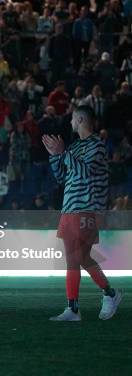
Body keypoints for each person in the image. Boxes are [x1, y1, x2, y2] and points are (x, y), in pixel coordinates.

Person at [42, 106, 122, 321]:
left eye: (72, 120)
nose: (70, 123)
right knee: (79, 258)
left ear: (80, 120)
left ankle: (75, 308)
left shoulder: (97, 145)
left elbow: (84, 172)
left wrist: (63, 154)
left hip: (86, 208)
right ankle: (108, 294)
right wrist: (54, 157)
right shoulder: (76, 146)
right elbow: (62, 177)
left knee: (75, 258)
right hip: (69, 208)